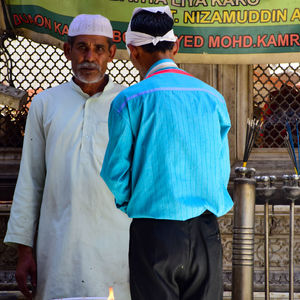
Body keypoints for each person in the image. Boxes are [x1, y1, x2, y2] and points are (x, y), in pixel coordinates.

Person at [101, 6, 233, 300]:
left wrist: (134, 202)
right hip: (205, 232)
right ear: (176, 45)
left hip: (154, 233)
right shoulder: (213, 98)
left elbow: (114, 173)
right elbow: (220, 169)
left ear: (133, 51)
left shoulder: (129, 101)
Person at [4, 14, 131, 300]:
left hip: (118, 249)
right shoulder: (45, 103)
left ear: (111, 52)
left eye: (99, 49)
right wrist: (24, 251)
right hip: (59, 251)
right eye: (82, 48)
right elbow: (31, 178)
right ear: (67, 50)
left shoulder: (129, 102)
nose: (90, 57)